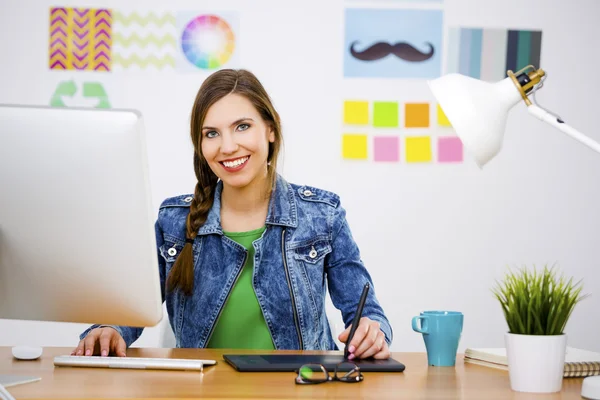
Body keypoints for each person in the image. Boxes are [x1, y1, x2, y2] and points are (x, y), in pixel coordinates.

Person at [73, 69, 393, 360]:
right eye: (211, 133)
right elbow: (129, 312)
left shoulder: (322, 215)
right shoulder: (173, 221)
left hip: (302, 390)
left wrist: (371, 331)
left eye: (242, 127)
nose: (227, 146)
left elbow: (368, 315)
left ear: (270, 129)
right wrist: (109, 329)